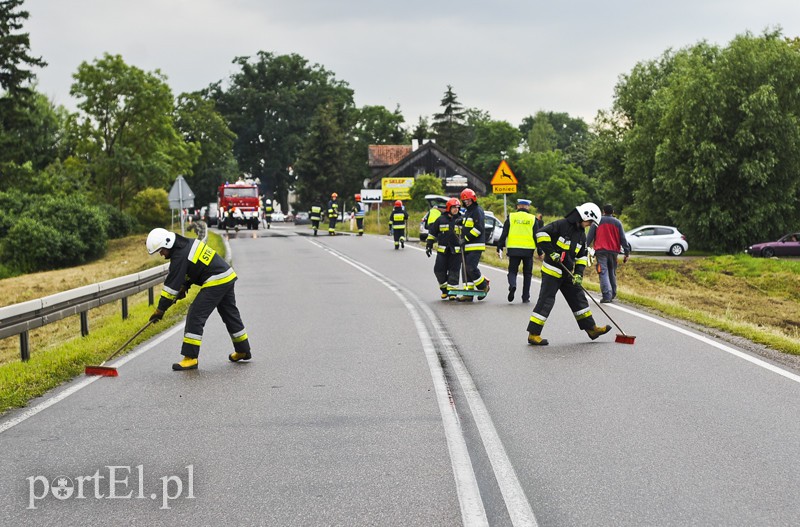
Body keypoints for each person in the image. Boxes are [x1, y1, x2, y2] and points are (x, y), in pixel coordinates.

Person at [145, 228, 252, 371]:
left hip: (216, 280)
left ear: (168, 244)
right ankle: (243, 349)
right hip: (226, 275)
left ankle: (190, 358)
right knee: (230, 314)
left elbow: (170, 288)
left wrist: (160, 310)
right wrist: (185, 286)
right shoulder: (185, 244)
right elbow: (194, 268)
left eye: (161, 250)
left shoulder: (179, 256)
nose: (161, 254)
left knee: (195, 315)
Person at [526, 202, 611, 346]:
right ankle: (533, 334)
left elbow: (582, 256)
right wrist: (551, 252)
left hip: (567, 273)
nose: (590, 225)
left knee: (578, 298)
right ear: (584, 216)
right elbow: (540, 233)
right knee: (546, 301)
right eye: (590, 221)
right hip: (552, 271)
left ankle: (591, 329)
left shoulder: (581, 235)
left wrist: (578, 274)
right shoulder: (561, 224)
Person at [586, 204, 631, 303]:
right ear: (613, 212)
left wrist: (584, 247)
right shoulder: (618, 223)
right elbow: (623, 239)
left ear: (603, 211)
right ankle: (613, 293)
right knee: (612, 272)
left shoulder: (596, 222)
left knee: (603, 272)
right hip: (614, 252)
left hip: (601, 251)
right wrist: (626, 253)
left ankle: (607, 295)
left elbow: (589, 238)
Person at [497, 199, 537, 303]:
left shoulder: (511, 217)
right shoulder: (533, 219)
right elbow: (536, 236)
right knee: (527, 274)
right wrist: (541, 251)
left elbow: (504, 233)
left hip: (514, 249)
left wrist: (499, 246)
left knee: (512, 271)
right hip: (528, 250)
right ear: (528, 207)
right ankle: (525, 297)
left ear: (518, 206)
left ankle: (513, 285)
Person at [426, 198, 463, 299]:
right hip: (443, 251)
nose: (456, 209)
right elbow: (432, 233)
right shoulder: (441, 219)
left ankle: (452, 293)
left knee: (454, 272)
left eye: (458, 207)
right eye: (454, 207)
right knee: (438, 270)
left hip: (456, 252)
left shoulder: (462, 219)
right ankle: (444, 290)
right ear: (448, 208)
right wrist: (429, 245)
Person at [458, 188, 490, 299]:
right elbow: (468, 224)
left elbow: (478, 228)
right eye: (465, 201)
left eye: (468, 200)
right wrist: (461, 221)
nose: (466, 202)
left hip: (475, 245)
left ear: (473, 199)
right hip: (466, 246)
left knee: (471, 267)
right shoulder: (468, 212)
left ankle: (483, 285)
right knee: (465, 270)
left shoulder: (477, 211)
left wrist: (465, 239)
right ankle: (468, 293)